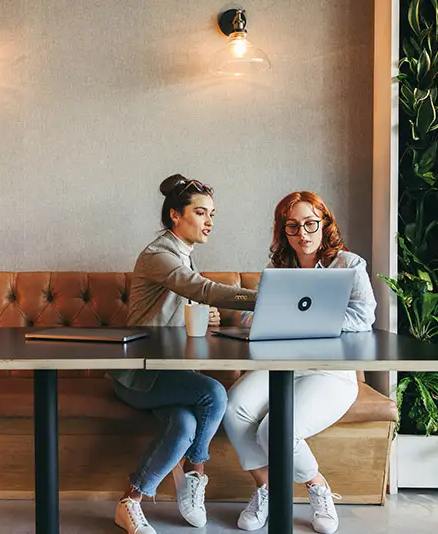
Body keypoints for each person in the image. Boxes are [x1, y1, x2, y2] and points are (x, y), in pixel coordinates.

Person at [222, 191, 376, 534]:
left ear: (325, 224)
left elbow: (363, 317)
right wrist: (254, 319)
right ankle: (266, 487)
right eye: (293, 227)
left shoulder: (349, 265)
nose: (302, 234)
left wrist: (305, 322)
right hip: (279, 367)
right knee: (233, 408)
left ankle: (317, 485)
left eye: (310, 224)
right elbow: (257, 319)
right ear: (283, 231)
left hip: (331, 372)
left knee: (273, 429)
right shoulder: (278, 269)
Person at [111, 174, 257, 534]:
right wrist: (260, 295)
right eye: (201, 212)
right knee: (213, 393)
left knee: (185, 425)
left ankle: (129, 501)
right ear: (175, 215)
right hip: (138, 374)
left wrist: (201, 311)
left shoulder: (181, 257)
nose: (209, 221)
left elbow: (184, 300)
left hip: (168, 371)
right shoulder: (159, 255)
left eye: (212, 214)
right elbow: (198, 288)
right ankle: (195, 473)